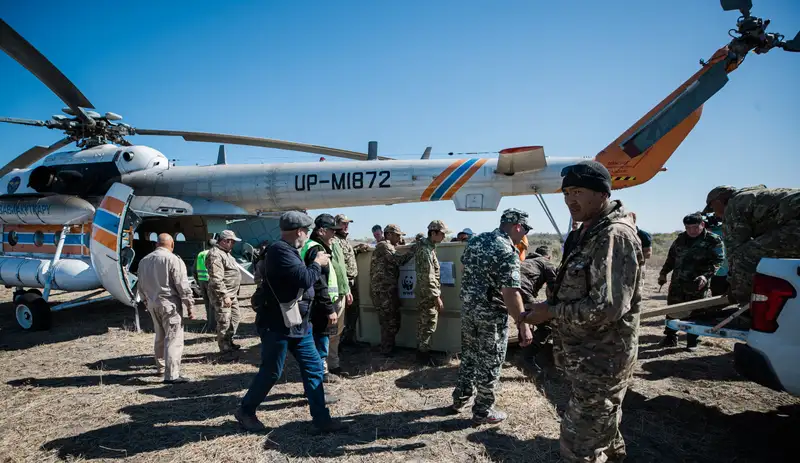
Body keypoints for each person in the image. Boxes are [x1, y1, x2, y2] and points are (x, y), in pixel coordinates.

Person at [521, 160, 643, 462]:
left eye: (578, 191)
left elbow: (607, 308)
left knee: (579, 447)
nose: (569, 200)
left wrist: (550, 311)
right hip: (588, 360)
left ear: (602, 194)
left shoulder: (613, 235)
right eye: (566, 193)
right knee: (604, 429)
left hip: (602, 360)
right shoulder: (589, 232)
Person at [235, 211, 347, 433]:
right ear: (299, 231)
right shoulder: (280, 251)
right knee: (272, 372)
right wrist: (317, 262)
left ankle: (321, 419)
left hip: (298, 324)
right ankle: (245, 410)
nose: (306, 236)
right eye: (306, 231)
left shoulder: (290, 251)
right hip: (277, 325)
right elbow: (305, 279)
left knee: (314, 367)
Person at [450, 209, 533, 424]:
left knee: (469, 355)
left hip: (469, 309)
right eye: (525, 230)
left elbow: (464, 267)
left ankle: (460, 398)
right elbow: (510, 292)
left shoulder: (477, 240)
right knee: (491, 360)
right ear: (517, 227)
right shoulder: (507, 250)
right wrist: (522, 323)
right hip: (491, 315)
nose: (525, 235)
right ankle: (483, 411)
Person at [703, 185, 800, 303]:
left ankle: (745, 309)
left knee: (744, 256)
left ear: (718, 201)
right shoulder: (754, 195)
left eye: (712, 208)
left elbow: (735, 251)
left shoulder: (734, 205)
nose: (715, 215)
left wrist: (733, 287)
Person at [657, 213, 724, 350]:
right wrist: (663, 273)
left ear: (702, 225)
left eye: (695, 227)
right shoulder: (681, 239)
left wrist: (705, 276)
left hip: (697, 283)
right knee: (672, 309)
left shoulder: (713, 240)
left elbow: (718, 262)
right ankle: (670, 337)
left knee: (696, 312)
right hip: (678, 282)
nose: (692, 231)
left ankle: (692, 341)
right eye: (688, 228)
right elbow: (671, 258)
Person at [137, 233, 194, 383]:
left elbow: (140, 285)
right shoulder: (173, 259)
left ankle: (161, 368)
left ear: (156, 244)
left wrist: (145, 300)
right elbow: (182, 284)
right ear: (172, 245)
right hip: (170, 305)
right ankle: (172, 375)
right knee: (174, 339)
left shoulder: (144, 261)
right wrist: (189, 304)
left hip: (152, 303)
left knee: (160, 336)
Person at [300, 214, 344, 383]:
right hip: (319, 304)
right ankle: (321, 373)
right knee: (321, 338)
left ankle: (319, 371)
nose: (335, 234)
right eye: (332, 230)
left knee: (318, 337)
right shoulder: (317, 250)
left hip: (315, 303)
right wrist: (328, 308)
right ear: (321, 231)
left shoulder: (312, 246)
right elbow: (319, 283)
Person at [369, 224, 416, 356]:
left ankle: (389, 347)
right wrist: (413, 250)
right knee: (388, 320)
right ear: (388, 234)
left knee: (391, 319)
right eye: (397, 235)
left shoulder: (388, 246)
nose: (400, 238)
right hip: (383, 291)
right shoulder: (384, 246)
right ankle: (386, 349)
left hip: (388, 289)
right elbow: (398, 260)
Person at [414, 219, 448, 366]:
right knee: (427, 324)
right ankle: (423, 356)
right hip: (427, 294)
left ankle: (423, 353)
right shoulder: (425, 250)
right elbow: (428, 277)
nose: (444, 237)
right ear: (433, 233)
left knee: (426, 323)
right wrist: (436, 297)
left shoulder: (429, 248)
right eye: (442, 234)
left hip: (427, 293)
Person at [519, 245, 557, 368]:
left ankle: (523, 348)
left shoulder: (526, 261)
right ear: (549, 257)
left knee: (522, 318)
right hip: (522, 293)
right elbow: (554, 288)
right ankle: (528, 358)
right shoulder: (546, 263)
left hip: (506, 293)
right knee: (546, 325)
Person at [207, 230, 243, 353]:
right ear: (224, 241)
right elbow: (216, 278)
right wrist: (224, 295)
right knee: (224, 322)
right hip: (223, 296)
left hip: (231, 295)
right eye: (231, 241)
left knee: (235, 318)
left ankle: (229, 341)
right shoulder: (215, 254)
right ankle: (224, 349)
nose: (233, 244)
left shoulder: (226, 253)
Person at [335, 214, 364, 348]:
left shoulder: (345, 241)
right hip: (343, 285)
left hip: (352, 283)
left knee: (353, 312)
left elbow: (348, 255)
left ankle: (348, 340)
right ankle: (337, 344)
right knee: (341, 314)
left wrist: (358, 249)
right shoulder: (335, 240)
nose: (346, 226)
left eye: (347, 223)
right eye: (343, 223)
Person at [194, 239, 216, 333]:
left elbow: (194, 268)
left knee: (207, 303)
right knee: (213, 304)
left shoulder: (200, 254)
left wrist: (197, 280)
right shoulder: (212, 253)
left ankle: (209, 322)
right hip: (209, 280)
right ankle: (212, 326)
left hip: (201, 280)